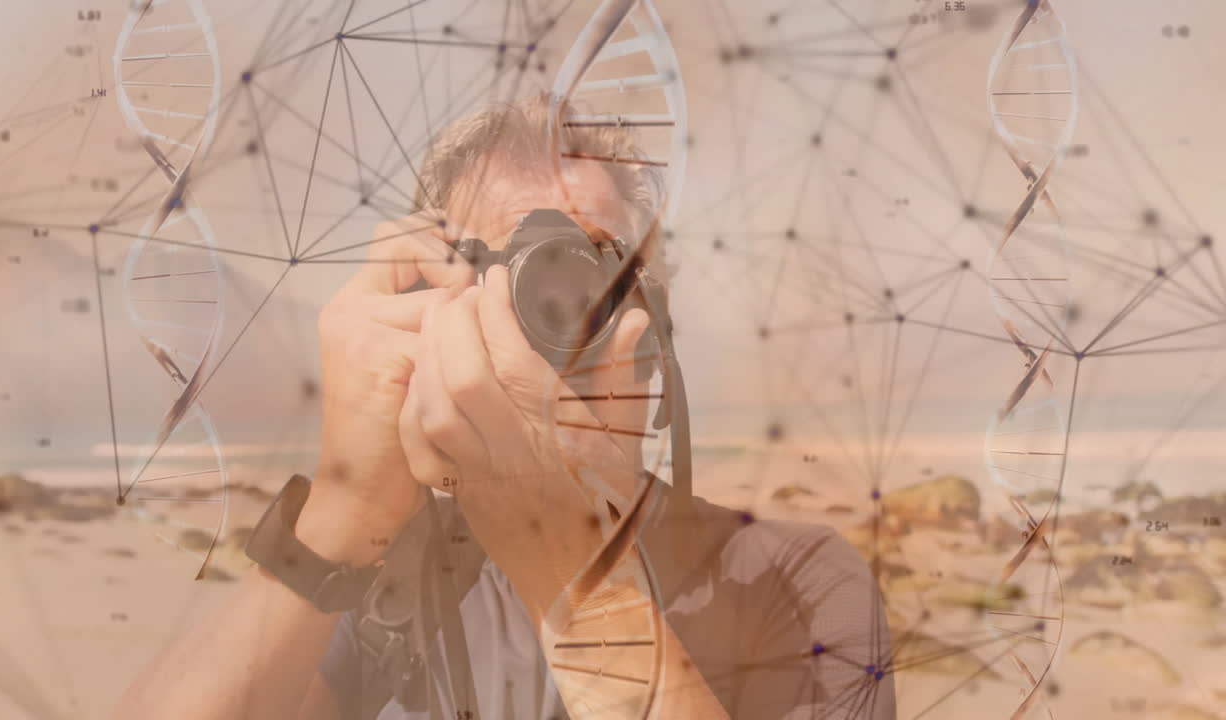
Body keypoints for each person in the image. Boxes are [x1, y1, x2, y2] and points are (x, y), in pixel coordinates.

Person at [112, 94, 896, 720]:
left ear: (654, 320)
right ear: (431, 313)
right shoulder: (395, 585)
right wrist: (340, 510)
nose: (559, 315)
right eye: (513, 276)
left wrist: (563, 557)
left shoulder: (789, 580)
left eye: (597, 270)